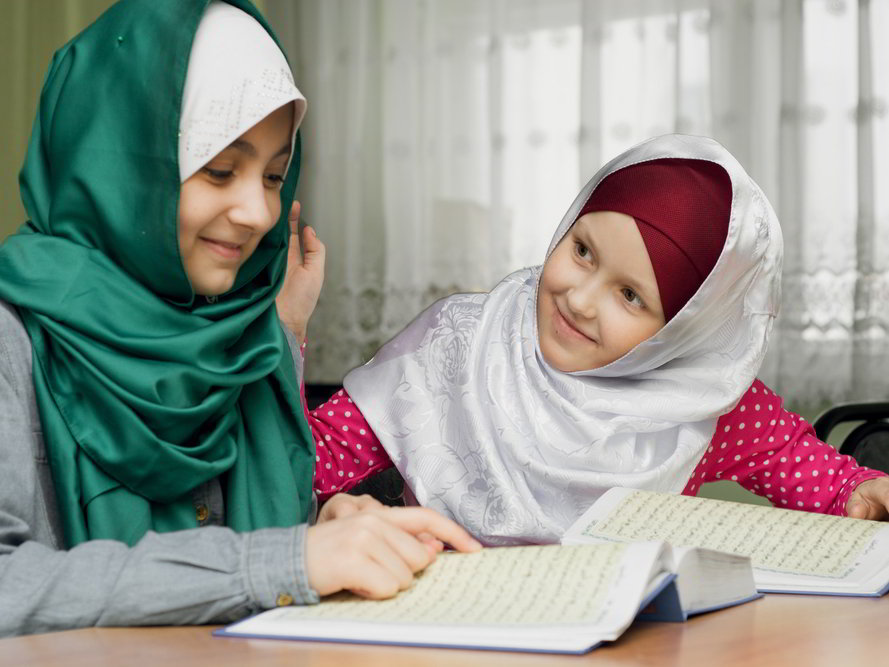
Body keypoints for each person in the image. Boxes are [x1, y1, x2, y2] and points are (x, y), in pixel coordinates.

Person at [0, 0, 479, 638]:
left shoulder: (242, 338)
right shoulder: (14, 339)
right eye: (220, 170)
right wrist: (286, 558)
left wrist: (323, 534)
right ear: (119, 163)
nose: (257, 212)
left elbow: (237, 551)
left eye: (275, 176)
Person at [304, 134, 889, 545]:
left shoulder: (703, 399)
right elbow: (306, 461)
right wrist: (282, 335)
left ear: (683, 332)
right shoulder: (459, 343)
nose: (579, 300)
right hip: (441, 634)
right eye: (582, 251)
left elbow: (804, 466)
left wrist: (858, 492)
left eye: (631, 296)